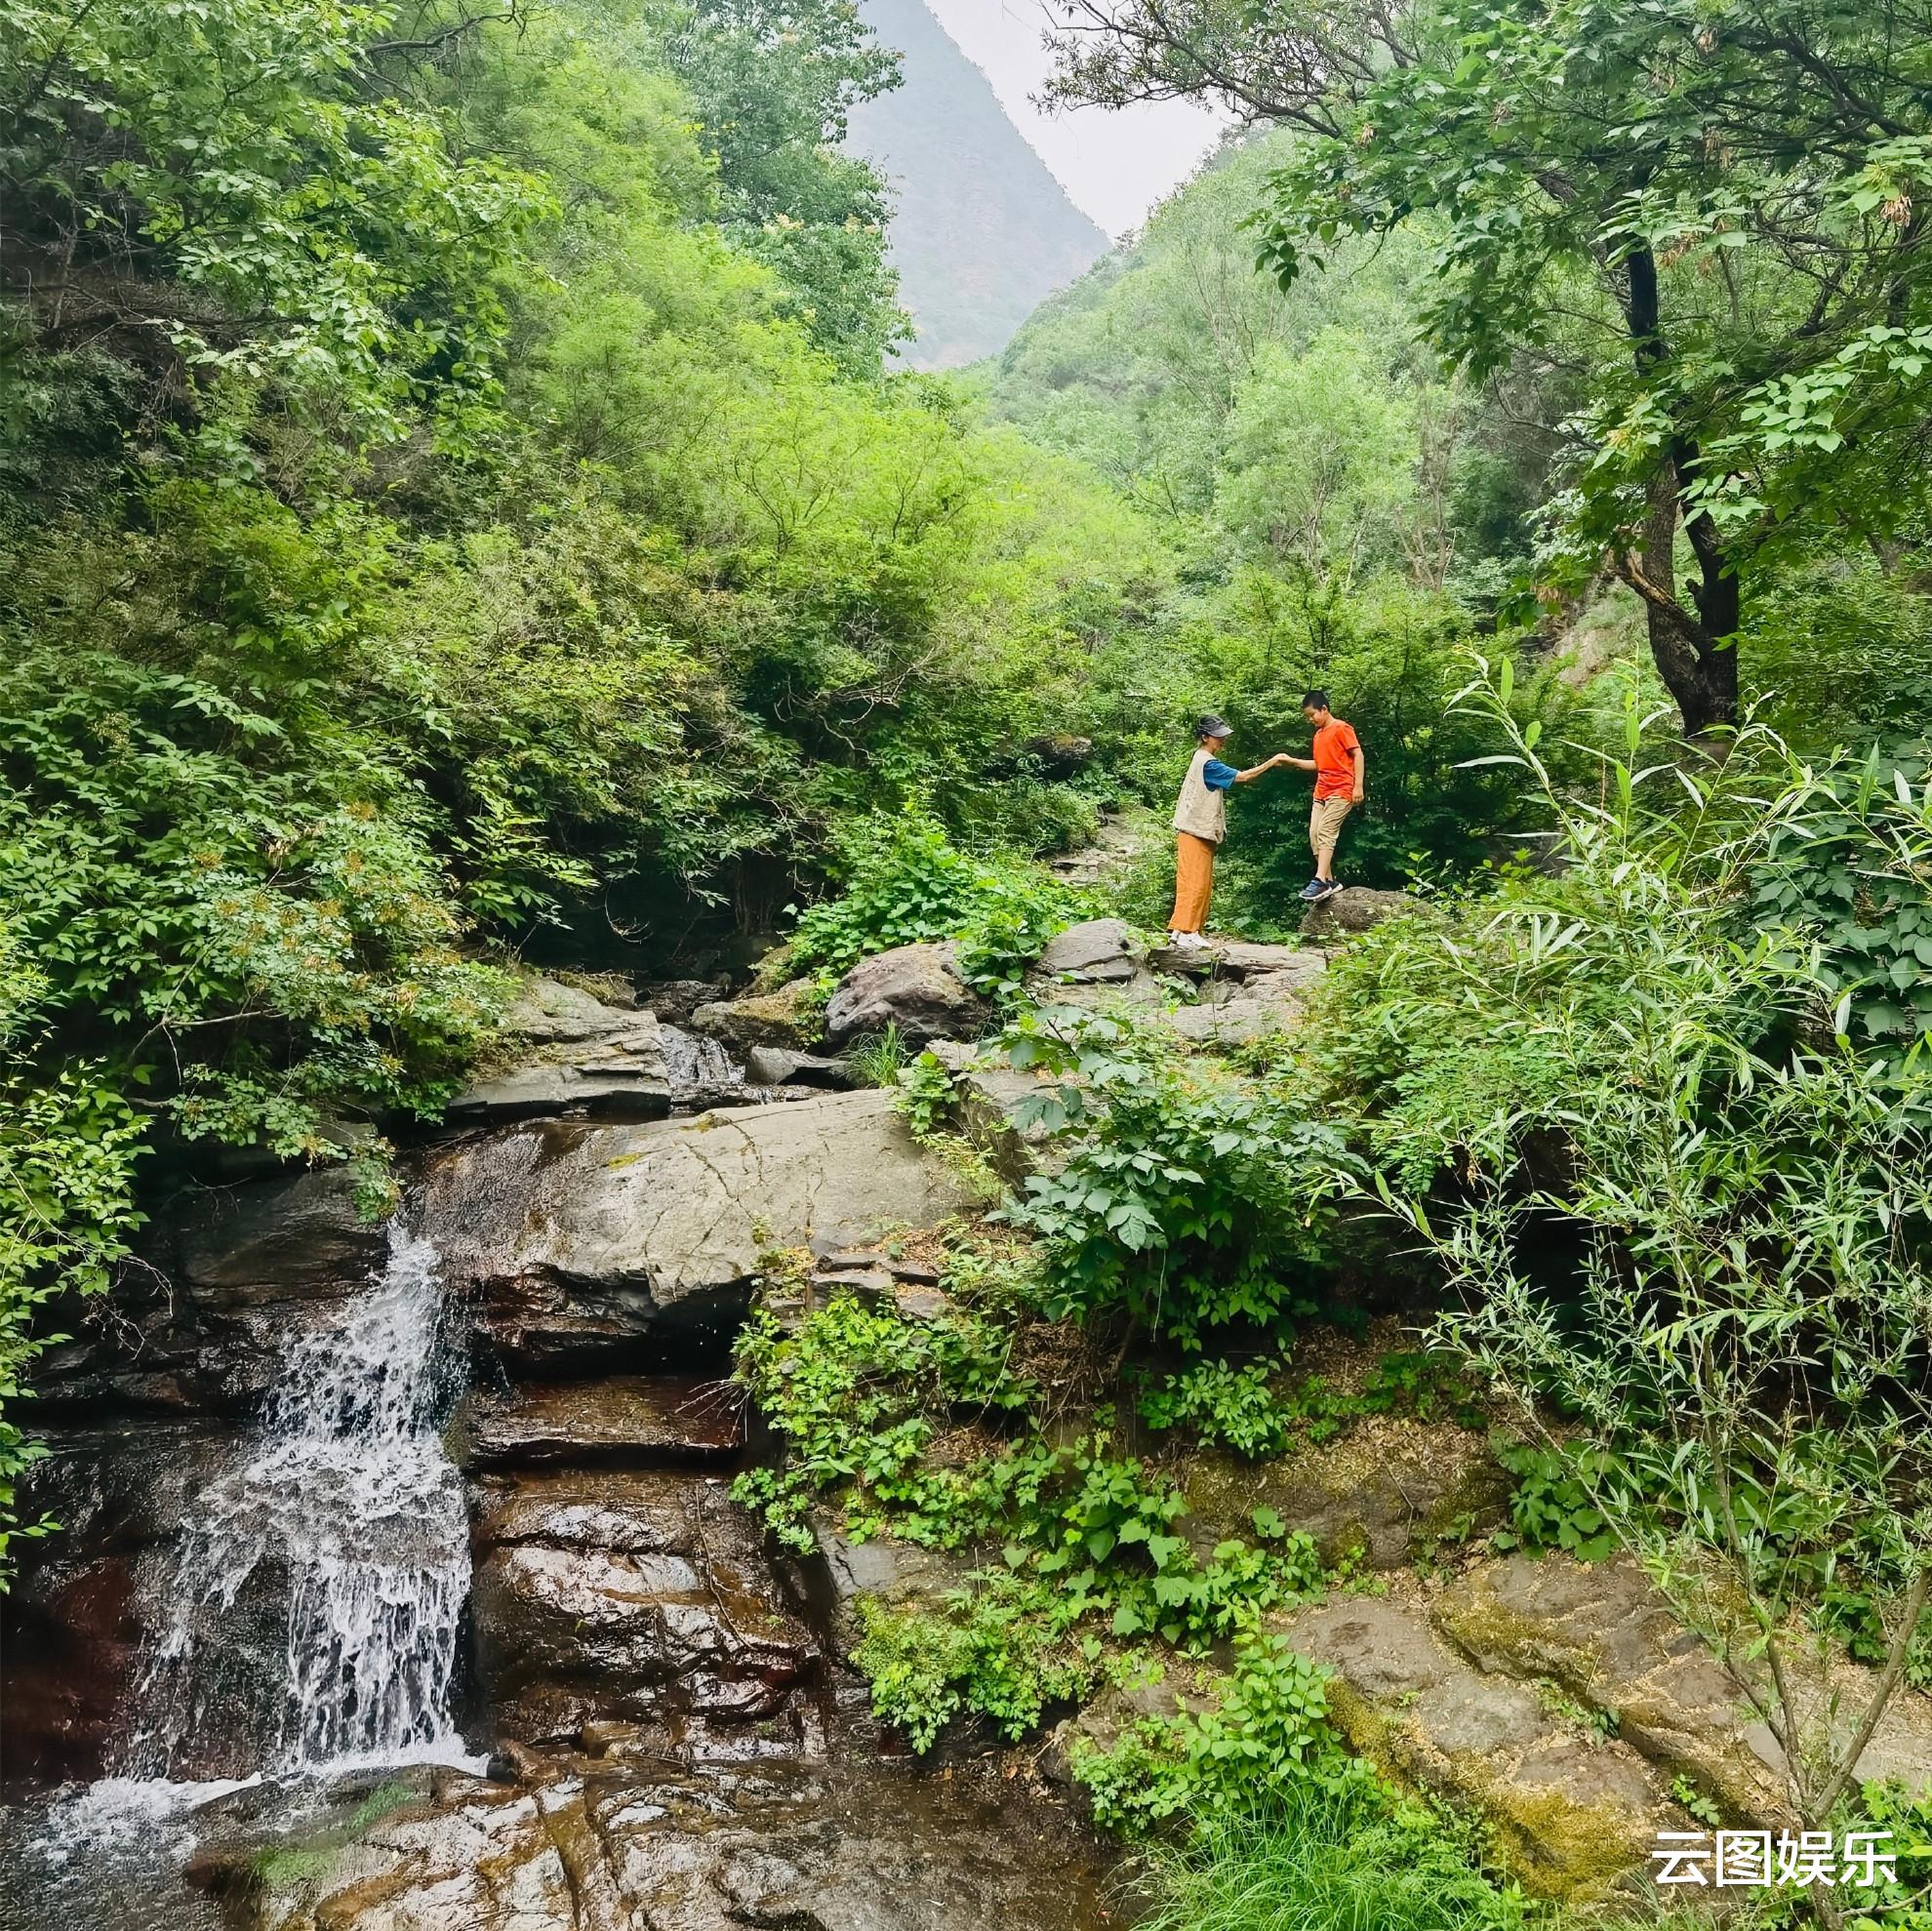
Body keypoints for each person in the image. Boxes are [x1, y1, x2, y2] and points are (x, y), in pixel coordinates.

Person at [1167, 714, 1292, 948]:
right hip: (1194, 830)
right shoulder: (1208, 763)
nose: (1222, 740)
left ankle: (1182, 931)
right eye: (1218, 736)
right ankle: (1186, 931)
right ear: (1205, 737)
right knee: (1194, 882)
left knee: (1197, 881)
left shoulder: (1201, 758)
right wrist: (1273, 761)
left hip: (1195, 830)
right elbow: (1243, 777)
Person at [1279, 690, 1364, 901]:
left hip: (1342, 789)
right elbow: (1319, 764)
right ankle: (1329, 882)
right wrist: (1292, 761)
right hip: (1322, 791)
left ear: (1324, 709)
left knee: (1326, 831)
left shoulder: (1341, 728)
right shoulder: (1318, 735)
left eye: (1312, 715)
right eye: (1307, 716)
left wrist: (1358, 786)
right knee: (1314, 834)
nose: (1310, 720)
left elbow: (1358, 754)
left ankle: (1319, 880)